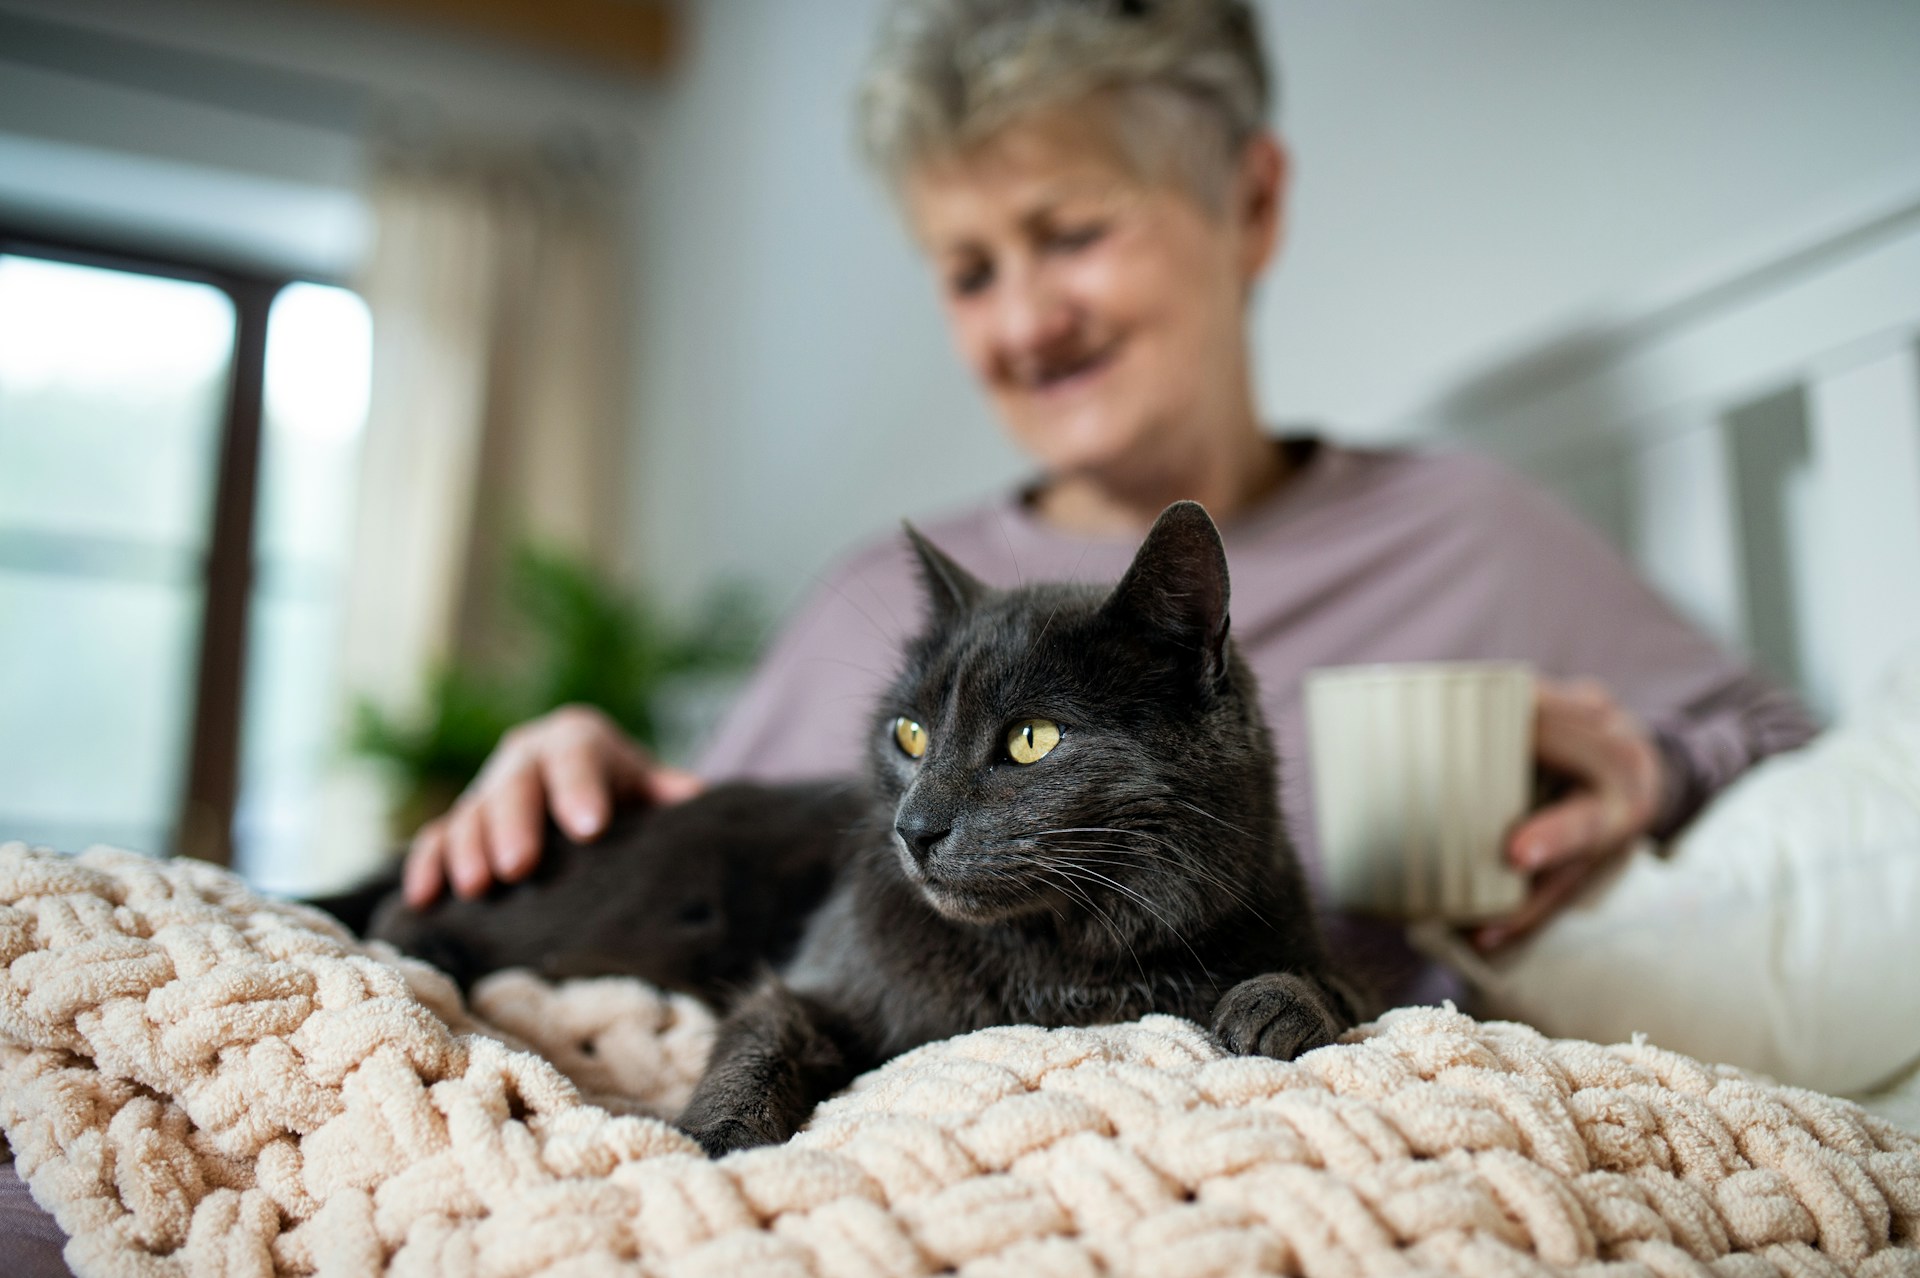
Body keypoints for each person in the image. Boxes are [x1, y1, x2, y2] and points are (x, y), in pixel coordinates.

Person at [401, 0, 1815, 1003]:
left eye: (1070, 232)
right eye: (969, 270)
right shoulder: (891, 605)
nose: (1023, 319)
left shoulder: (1466, 530)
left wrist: (1648, 764)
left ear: (1252, 204)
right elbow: (730, 836)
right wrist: (576, 761)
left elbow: (1782, 743)